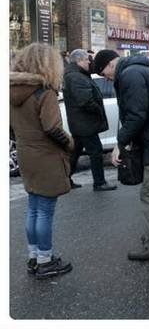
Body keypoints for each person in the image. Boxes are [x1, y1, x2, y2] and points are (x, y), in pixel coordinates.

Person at [92, 51, 149, 261]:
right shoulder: (139, 69)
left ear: (110, 65)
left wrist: (120, 143)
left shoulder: (129, 75)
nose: (106, 78)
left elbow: (136, 115)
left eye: (103, 73)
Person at [10, 43, 75, 279]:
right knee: (45, 211)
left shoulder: (11, 91)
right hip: (46, 158)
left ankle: (34, 258)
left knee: (34, 208)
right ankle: (46, 261)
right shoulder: (45, 92)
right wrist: (70, 144)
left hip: (26, 155)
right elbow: (52, 128)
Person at [63, 49, 117, 192]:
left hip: (80, 123)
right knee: (96, 152)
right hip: (85, 124)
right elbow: (85, 101)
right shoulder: (76, 77)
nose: (89, 62)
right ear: (79, 60)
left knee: (75, 152)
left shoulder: (76, 75)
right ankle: (99, 183)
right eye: (87, 59)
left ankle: (64, 180)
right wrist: (98, 110)